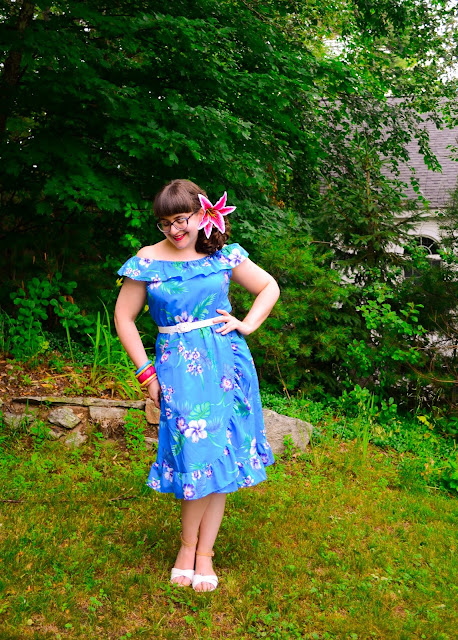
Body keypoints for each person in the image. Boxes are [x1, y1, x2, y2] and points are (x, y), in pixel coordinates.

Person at [114, 179, 280, 592]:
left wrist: (247, 324)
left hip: (227, 364)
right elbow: (124, 318)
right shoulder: (147, 260)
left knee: (219, 453)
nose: (174, 229)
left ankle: (203, 553)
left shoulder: (222, 254)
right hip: (178, 370)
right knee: (194, 454)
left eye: (181, 219)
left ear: (203, 214)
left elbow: (269, 287)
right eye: (165, 222)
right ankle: (187, 548)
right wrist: (146, 374)